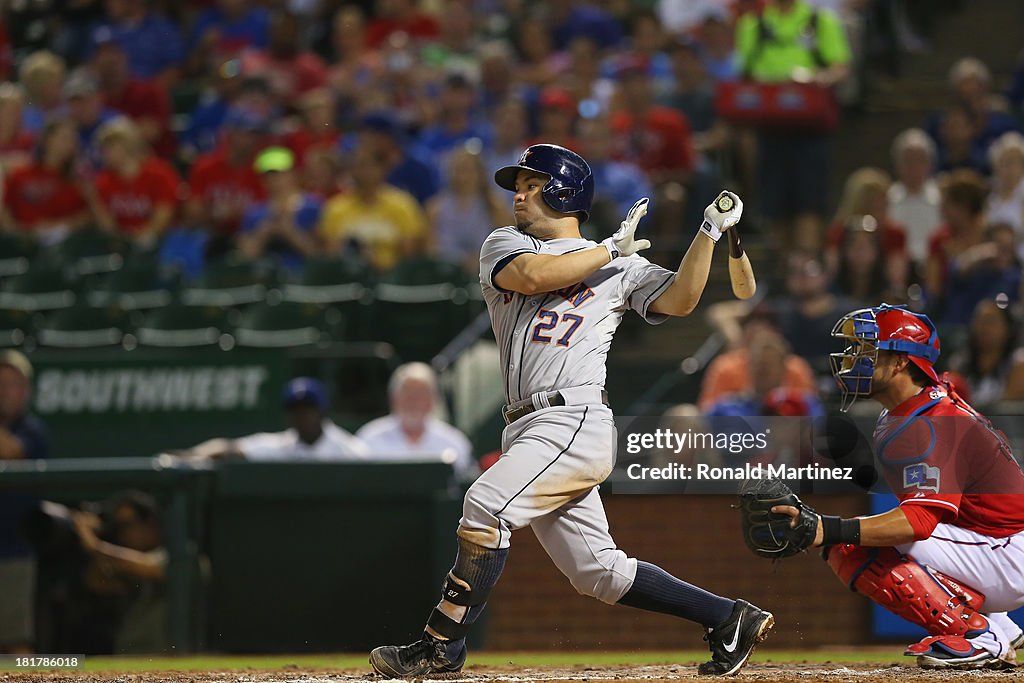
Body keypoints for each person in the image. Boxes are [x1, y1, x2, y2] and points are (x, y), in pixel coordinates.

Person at [369, 144, 774, 678]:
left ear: (564, 190)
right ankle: (727, 617)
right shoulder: (506, 243)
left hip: (572, 419)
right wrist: (610, 249)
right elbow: (536, 277)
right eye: (520, 185)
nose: (519, 193)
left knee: (485, 506)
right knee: (597, 573)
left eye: (532, 184)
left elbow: (680, 300)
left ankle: (439, 645)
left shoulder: (620, 263)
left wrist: (706, 234)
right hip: (526, 425)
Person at [773, 304, 1024, 669]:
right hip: (993, 542)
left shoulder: (932, 422)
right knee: (862, 537)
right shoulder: (909, 410)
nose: (856, 358)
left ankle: (979, 635)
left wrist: (825, 528)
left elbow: (918, 523)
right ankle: (999, 626)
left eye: (869, 350)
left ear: (901, 363)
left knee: (851, 543)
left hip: (1008, 551)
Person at [735, 0, 851, 250]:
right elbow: (743, 72)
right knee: (774, 204)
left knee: (808, 202)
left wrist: (819, 78)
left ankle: (804, 266)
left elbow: (840, 68)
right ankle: (782, 272)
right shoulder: (752, 24)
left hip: (810, 128)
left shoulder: (820, 21)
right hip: (769, 126)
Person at [177, 378, 367, 461]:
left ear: (322, 412)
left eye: (308, 409)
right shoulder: (282, 446)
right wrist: (189, 456)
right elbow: (229, 448)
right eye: (295, 410)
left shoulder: (348, 450)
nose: (302, 416)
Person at [0, 351, 50, 654]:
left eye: (10, 385)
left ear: (26, 391)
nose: (3, 392)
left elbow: (11, 452)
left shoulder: (32, 430)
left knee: (14, 642)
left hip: (14, 551)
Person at [317, 143, 428, 271]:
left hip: (392, 278)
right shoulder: (336, 208)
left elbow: (410, 254)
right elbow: (331, 255)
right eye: (356, 166)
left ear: (381, 169)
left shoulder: (402, 205)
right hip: (348, 276)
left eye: (366, 165)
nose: (361, 172)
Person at [357, 363, 475, 480]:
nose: (413, 402)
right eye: (407, 394)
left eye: (420, 395)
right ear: (393, 399)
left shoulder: (455, 442)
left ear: (432, 401)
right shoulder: (368, 438)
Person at [90, 117, 180, 248]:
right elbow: (108, 228)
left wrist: (145, 236)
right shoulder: (103, 180)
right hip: (123, 245)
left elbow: (163, 216)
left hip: (161, 243)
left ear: (128, 146)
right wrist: (92, 198)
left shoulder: (159, 173)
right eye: (104, 149)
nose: (105, 154)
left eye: (111, 147)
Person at [1, 117, 90, 244]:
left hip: (63, 244)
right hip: (23, 244)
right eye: (65, 138)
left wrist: (60, 225)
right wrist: (17, 234)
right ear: (48, 140)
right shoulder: (21, 174)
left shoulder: (77, 180)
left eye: (73, 140)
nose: (70, 144)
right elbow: (5, 209)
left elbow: (86, 216)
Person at [237, 146, 321, 271]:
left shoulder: (313, 207)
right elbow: (245, 257)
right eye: (267, 175)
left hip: (305, 279)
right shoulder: (254, 213)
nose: (273, 180)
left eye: (279, 173)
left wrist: (290, 232)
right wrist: (263, 233)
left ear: (293, 173)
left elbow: (320, 255)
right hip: (266, 280)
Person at [427, 145, 507, 273]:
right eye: (459, 170)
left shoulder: (495, 206)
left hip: (484, 273)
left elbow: (506, 245)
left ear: (480, 173)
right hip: (444, 272)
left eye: (469, 170)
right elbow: (431, 249)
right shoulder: (436, 207)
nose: (463, 176)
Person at [948, 300, 1024, 408]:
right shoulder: (960, 364)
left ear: (1009, 328)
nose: (984, 328)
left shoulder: (1018, 364)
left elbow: (1004, 411)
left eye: (991, 322)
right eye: (979, 321)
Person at [887, 128, 942, 272]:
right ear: (897, 164)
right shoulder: (887, 200)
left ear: (930, 164)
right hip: (898, 270)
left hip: (933, 269)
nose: (914, 167)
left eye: (920, 160)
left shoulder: (942, 200)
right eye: (908, 160)